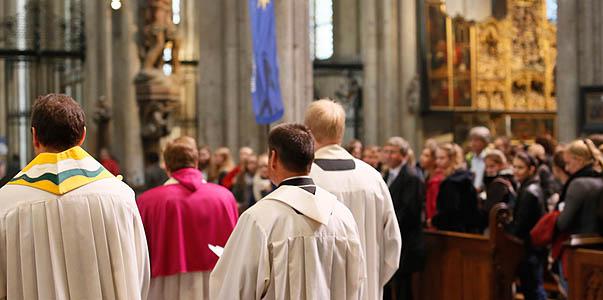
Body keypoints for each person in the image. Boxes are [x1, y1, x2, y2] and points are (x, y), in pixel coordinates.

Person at [0, 94, 150, 299]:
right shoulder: (120, 196)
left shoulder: (6, 203)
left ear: (34, 137)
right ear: (82, 136)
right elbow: (137, 274)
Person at [210, 123, 366, 299]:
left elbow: (232, 288)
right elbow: (358, 282)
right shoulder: (342, 215)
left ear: (273, 158)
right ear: (311, 160)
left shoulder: (259, 219)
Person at [304, 100, 401, 300]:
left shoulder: (305, 178)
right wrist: (371, 282)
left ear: (308, 132)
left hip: (318, 290)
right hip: (367, 289)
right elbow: (393, 243)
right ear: (341, 131)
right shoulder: (372, 177)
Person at [137, 136, 238, 300]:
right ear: (196, 162)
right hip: (217, 279)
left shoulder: (147, 201)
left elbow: (140, 251)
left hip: (164, 282)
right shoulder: (225, 197)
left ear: (167, 166)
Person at [381, 136, 425, 300]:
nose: (388, 155)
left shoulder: (412, 176)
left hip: (406, 238)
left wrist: (388, 226)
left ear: (404, 155)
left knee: (403, 287)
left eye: (393, 152)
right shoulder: (386, 174)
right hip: (390, 235)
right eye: (386, 151)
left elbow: (409, 210)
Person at [509, 152, 547, 300]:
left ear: (531, 169)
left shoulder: (530, 191)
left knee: (533, 289)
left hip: (529, 248)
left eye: (520, 168)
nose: (516, 171)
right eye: (514, 167)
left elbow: (521, 224)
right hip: (531, 247)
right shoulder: (529, 187)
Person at [431, 143, 482, 233]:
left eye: (442, 158)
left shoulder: (453, 182)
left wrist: (434, 221)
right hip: (467, 229)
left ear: (452, 159)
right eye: (437, 158)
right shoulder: (460, 177)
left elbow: (450, 211)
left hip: (457, 231)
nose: (437, 161)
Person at [556, 139, 603, 235]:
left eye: (568, 163)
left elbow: (562, 223)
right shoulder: (598, 177)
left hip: (582, 243)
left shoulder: (579, 184)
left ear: (580, 160)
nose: (566, 168)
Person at [482, 149, 516, 215]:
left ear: (502, 165)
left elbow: (489, 208)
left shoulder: (499, 183)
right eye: (486, 166)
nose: (488, 170)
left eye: (492, 166)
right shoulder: (509, 177)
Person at [420, 139, 443, 222]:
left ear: (434, 159)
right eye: (422, 154)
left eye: (426, 156)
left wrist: (432, 221)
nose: (422, 158)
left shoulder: (437, 179)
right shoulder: (428, 176)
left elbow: (434, 205)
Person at [466, 126, 491, 191]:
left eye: (476, 140)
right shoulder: (469, 158)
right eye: (471, 140)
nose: (473, 143)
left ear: (485, 142)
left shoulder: (490, 156)